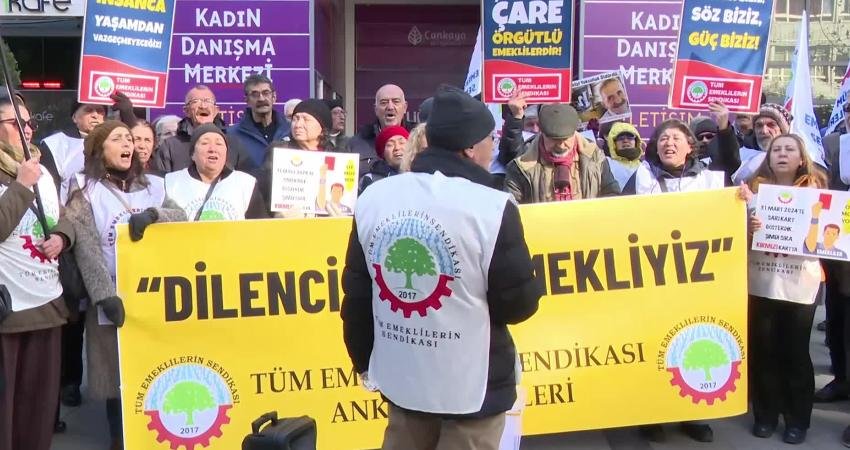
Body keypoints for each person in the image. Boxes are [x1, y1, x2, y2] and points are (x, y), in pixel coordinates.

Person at [341, 86, 542, 450]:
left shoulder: (375, 198)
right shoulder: (491, 207)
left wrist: (364, 360)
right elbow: (517, 305)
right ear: (470, 148)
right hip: (472, 386)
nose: (494, 147)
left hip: (403, 375)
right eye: (491, 139)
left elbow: (357, 294)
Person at [64, 120, 186, 450]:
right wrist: (104, 295)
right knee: (117, 376)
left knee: (156, 367)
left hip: (156, 295)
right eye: (117, 139)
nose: (128, 144)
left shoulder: (155, 187)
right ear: (99, 150)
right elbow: (86, 246)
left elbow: (183, 219)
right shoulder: (84, 190)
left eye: (129, 139)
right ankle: (121, 438)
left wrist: (155, 215)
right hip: (111, 296)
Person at [623, 119, 735, 443]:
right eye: (662, 139)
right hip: (653, 277)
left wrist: (740, 198)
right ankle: (652, 415)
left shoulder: (711, 180)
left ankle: (693, 415)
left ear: (690, 146)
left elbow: (730, 216)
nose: (668, 143)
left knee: (693, 344)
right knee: (653, 346)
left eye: (675, 138)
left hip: (697, 282)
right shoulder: (641, 177)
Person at [0, 94, 75, 450]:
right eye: (15, 122)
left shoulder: (41, 170)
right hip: (8, 311)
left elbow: (64, 217)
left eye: (28, 122)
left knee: (38, 407)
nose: (27, 129)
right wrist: (19, 185)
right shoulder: (27, 174)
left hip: (47, 303)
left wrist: (62, 237)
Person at [743, 133, 827, 445]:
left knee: (795, 351)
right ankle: (765, 415)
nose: (781, 154)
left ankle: (797, 419)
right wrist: (747, 226)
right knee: (763, 349)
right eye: (776, 149)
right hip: (762, 281)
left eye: (789, 149)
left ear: (801, 157)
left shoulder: (817, 193)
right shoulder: (751, 191)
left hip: (800, 283)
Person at [504, 103, 620, 203]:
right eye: (554, 140)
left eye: (565, 139)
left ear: (574, 133)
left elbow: (612, 195)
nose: (560, 146)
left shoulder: (595, 157)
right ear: (542, 133)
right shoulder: (521, 167)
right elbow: (511, 209)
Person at [165, 124, 268, 220]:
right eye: (205, 143)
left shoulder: (246, 184)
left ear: (226, 153)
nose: (212, 149)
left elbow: (260, 228)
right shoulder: (171, 183)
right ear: (192, 154)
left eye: (219, 144)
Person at [152, 85, 253, 173]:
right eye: (195, 101)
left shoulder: (234, 144)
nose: (203, 106)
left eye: (207, 101)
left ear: (216, 110)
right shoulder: (170, 146)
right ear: (186, 111)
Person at [38, 102, 106, 203]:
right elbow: (48, 188)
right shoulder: (55, 144)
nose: (95, 115)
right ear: (74, 117)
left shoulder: (116, 142)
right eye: (88, 110)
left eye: (100, 111)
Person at [346, 84, 417, 177]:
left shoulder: (417, 140)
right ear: (376, 109)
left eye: (396, 102)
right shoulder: (357, 144)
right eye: (384, 103)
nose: (390, 107)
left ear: (405, 107)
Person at [228, 74, 290, 168]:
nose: (261, 99)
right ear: (247, 100)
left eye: (266, 93)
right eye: (255, 94)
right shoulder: (232, 135)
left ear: (274, 97)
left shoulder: (290, 130)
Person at [733, 103, 793, 184]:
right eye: (759, 125)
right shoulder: (740, 154)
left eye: (771, 125)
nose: (764, 131)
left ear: (782, 131)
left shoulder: (796, 160)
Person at [359, 125, 408, 194]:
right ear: (383, 153)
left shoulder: (419, 177)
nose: (397, 148)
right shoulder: (371, 179)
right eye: (390, 144)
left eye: (401, 143)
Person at [605, 122, 643, 188]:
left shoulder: (645, 167)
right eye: (620, 138)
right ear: (613, 143)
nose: (625, 141)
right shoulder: (606, 164)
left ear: (636, 141)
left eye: (630, 137)